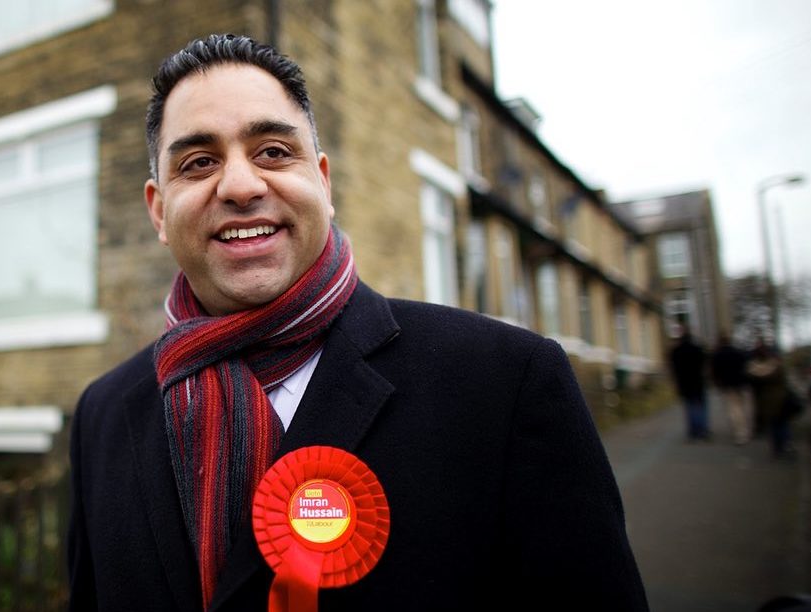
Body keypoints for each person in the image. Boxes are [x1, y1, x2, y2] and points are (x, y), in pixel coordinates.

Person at [67, 34, 646, 611]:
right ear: (159, 210)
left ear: (323, 180)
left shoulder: (507, 381)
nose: (241, 186)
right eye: (199, 162)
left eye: (272, 151)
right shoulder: (103, 414)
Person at [747, 339, 792, 458]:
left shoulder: (770, 367)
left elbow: (757, 374)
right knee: (781, 424)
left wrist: (754, 367)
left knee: (776, 424)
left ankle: (779, 448)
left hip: (771, 400)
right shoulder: (778, 365)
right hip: (780, 398)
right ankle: (783, 447)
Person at [668, 324, 709, 441]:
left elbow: (674, 368)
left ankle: (694, 430)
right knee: (700, 406)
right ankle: (702, 430)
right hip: (698, 382)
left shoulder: (676, 351)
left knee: (690, 407)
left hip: (685, 383)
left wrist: (676, 382)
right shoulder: (697, 349)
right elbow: (704, 364)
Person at [712, 333, 752, 445]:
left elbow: (715, 373)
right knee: (745, 408)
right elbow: (747, 366)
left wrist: (718, 384)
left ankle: (740, 434)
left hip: (728, 386)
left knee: (734, 410)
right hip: (742, 384)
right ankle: (748, 430)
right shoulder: (738, 352)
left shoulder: (717, 356)